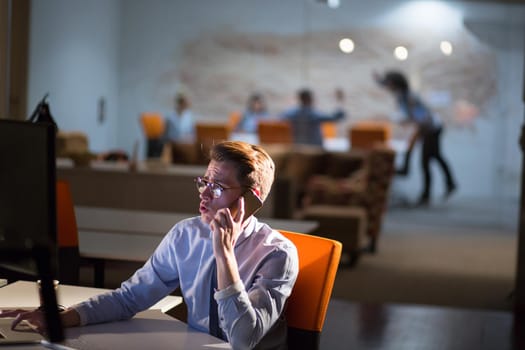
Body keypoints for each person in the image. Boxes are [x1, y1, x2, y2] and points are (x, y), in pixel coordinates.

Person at [1, 141, 299, 350]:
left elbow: (243, 339)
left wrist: (225, 256)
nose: (204, 195)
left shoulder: (277, 254)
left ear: (250, 200)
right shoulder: (186, 235)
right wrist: (61, 317)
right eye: (203, 182)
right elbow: (130, 298)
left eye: (218, 187)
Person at [375, 70, 457, 206]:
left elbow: (422, 117)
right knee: (435, 156)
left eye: (389, 83)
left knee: (426, 160)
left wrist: (406, 120)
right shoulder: (401, 95)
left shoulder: (408, 97)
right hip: (427, 128)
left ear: (395, 84)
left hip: (431, 129)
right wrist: (378, 81)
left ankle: (428, 195)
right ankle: (448, 184)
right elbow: (386, 85)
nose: (387, 86)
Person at [280, 88, 346, 146]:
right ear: (310, 99)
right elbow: (335, 117)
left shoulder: (291, 113)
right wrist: (340, 102)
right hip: (315, 149)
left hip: (297, 146)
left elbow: (279, 118)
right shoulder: (314, 114)